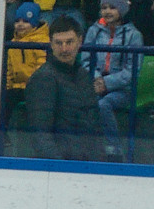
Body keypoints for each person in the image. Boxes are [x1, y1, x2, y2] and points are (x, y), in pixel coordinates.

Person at [18, 11, 107, 159]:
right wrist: (59, 168)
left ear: (80, 41)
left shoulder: (83, 75)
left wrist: (100, 160)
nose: (64, 49)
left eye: (69, 42)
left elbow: (94, 126)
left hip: (86, 163)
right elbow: (41, 134)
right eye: (59, 43)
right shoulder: (43, 79)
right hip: (61, 167)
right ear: (51, 44)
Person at [83, 0, 142, 147]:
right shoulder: (93, 31)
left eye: (112, 7)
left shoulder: (133, 35)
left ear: (122, 10)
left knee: (104, 104)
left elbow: (132, 70)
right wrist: (96, 79)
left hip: (123, 90)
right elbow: (86, 60)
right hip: (94, 85)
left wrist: (107, 83)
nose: (107, 11)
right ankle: (88, 147)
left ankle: (113, 148)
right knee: (86, 103)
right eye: (104, 7)